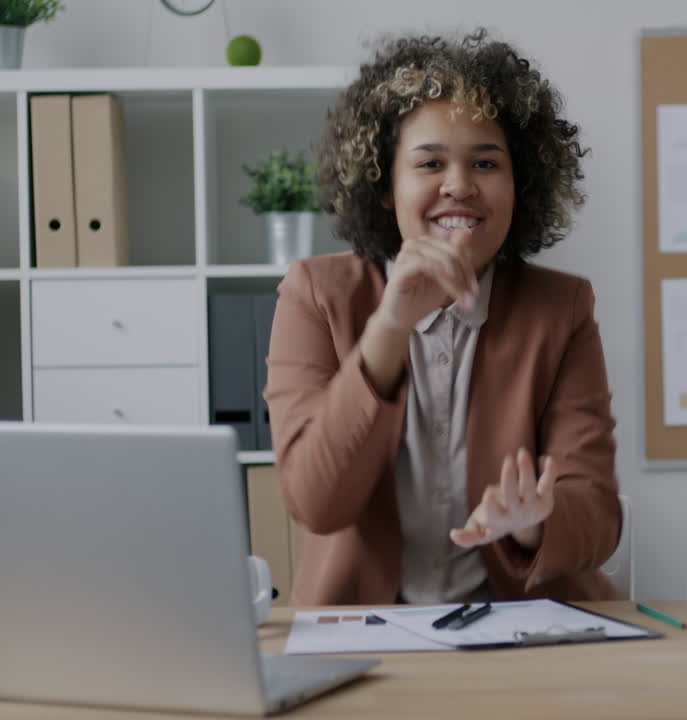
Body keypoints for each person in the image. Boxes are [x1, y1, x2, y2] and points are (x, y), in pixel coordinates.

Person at [263, 29, 622, 606]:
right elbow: (316, 502)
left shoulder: (562, 309)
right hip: (365, 632)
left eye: (486, 162)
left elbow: (597, 513)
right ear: (385, 185)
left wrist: (534, 522)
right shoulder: (315, 294)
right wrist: (389, 328)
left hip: (521, 626)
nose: (459, 185)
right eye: (430, 162)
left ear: (519, 185)